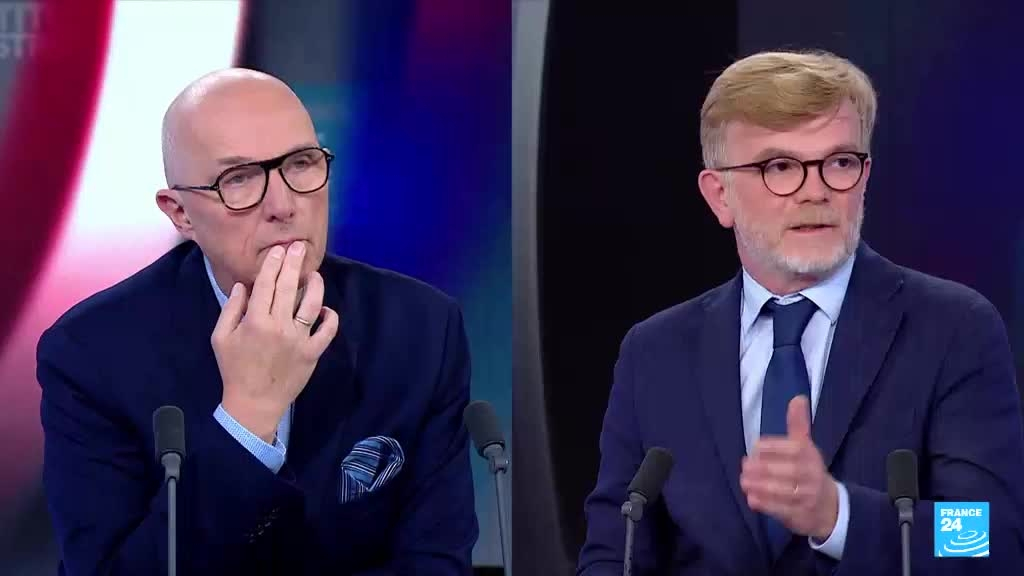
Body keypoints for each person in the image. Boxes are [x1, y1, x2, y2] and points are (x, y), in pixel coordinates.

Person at [577, 50, 1024, 575]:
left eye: (840, 163)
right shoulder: (655, 352)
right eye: (780, 167)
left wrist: (838, 516)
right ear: (719, 196)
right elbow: (614, 553)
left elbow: (988, 539)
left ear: (865, 177)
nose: (816, 191)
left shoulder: (952, 329)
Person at [37, 69, 477, 575]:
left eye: (301, 163)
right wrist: (246, 421)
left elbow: (436, 563)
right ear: (180, 213)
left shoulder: (422, 329)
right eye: (239, 179)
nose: (283, 206)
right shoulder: (91, 355)